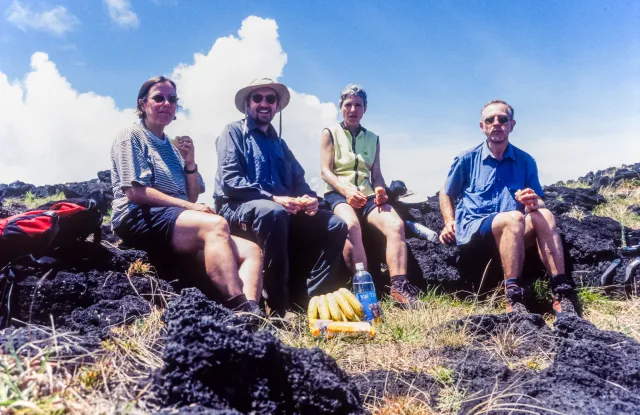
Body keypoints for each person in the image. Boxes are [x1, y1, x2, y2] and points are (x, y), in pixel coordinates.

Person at [110, 76, 263, 315]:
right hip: (136, 217)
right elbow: (135, 192)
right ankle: (236, 303)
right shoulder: (131, 136)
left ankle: (250, 313)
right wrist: (189, 207)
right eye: (158, 98)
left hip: (172, 217)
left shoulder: (172, 146)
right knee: (214, 225)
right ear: (142, 104)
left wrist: (190, 162)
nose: (166, 104)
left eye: (172, 100)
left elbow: (192, 195)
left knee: (251, 250)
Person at [214, 78, 348, 317]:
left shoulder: (281, 145)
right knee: (272, 212)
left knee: (335, 225)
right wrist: (275, 199)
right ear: (248, 104)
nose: (264, 103)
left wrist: (310, 199)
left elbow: (300, 182)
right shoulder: (232, 132)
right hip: (237, 207)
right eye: (258, 98)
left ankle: (310, 299)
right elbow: (231, 182)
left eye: (270, 99)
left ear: (276, 106)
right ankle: (278, 306)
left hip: (279, 211)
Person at [439, 100, 579, 317]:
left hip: (513, 235)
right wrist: (449, 221)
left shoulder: (525, 161)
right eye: (490, 120)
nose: (496, 123)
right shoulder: (467, 158)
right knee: (513, 217)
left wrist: (533, 202)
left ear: (511, 125)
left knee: (544, 214)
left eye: (502, 119)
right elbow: (446, 192)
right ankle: (513, 295)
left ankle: (561, 290)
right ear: (482, 126)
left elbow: (539, 200)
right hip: (477, 231)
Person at [320, 84, 419, 307]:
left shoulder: (373, 138)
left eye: (358, 105)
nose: (353, 109)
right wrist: (346, 190)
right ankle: (363, 288)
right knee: (351, 226)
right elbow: (325, 171)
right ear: (340, 107)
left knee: (395, 224)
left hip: (367, 197)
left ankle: (399, 288)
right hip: (339, 194)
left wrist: (380, 191)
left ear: (365, 109)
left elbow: (376, 175)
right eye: (348, 105)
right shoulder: (330, 133)